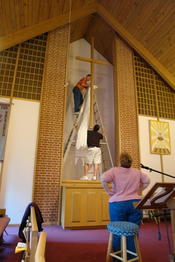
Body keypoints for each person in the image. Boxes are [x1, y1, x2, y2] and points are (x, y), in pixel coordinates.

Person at [100, 152, 150, 260]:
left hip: (118, 204)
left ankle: (118, 258)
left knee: (117, 232)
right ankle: (132, 257)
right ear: (130, 161)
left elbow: (103, 179)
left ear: (120, 161)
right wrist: (139, 191)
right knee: (133, 231)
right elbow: (147, 181)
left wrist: (108, 191)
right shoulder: (137, 172)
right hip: (135, 204)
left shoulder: (114, 170)